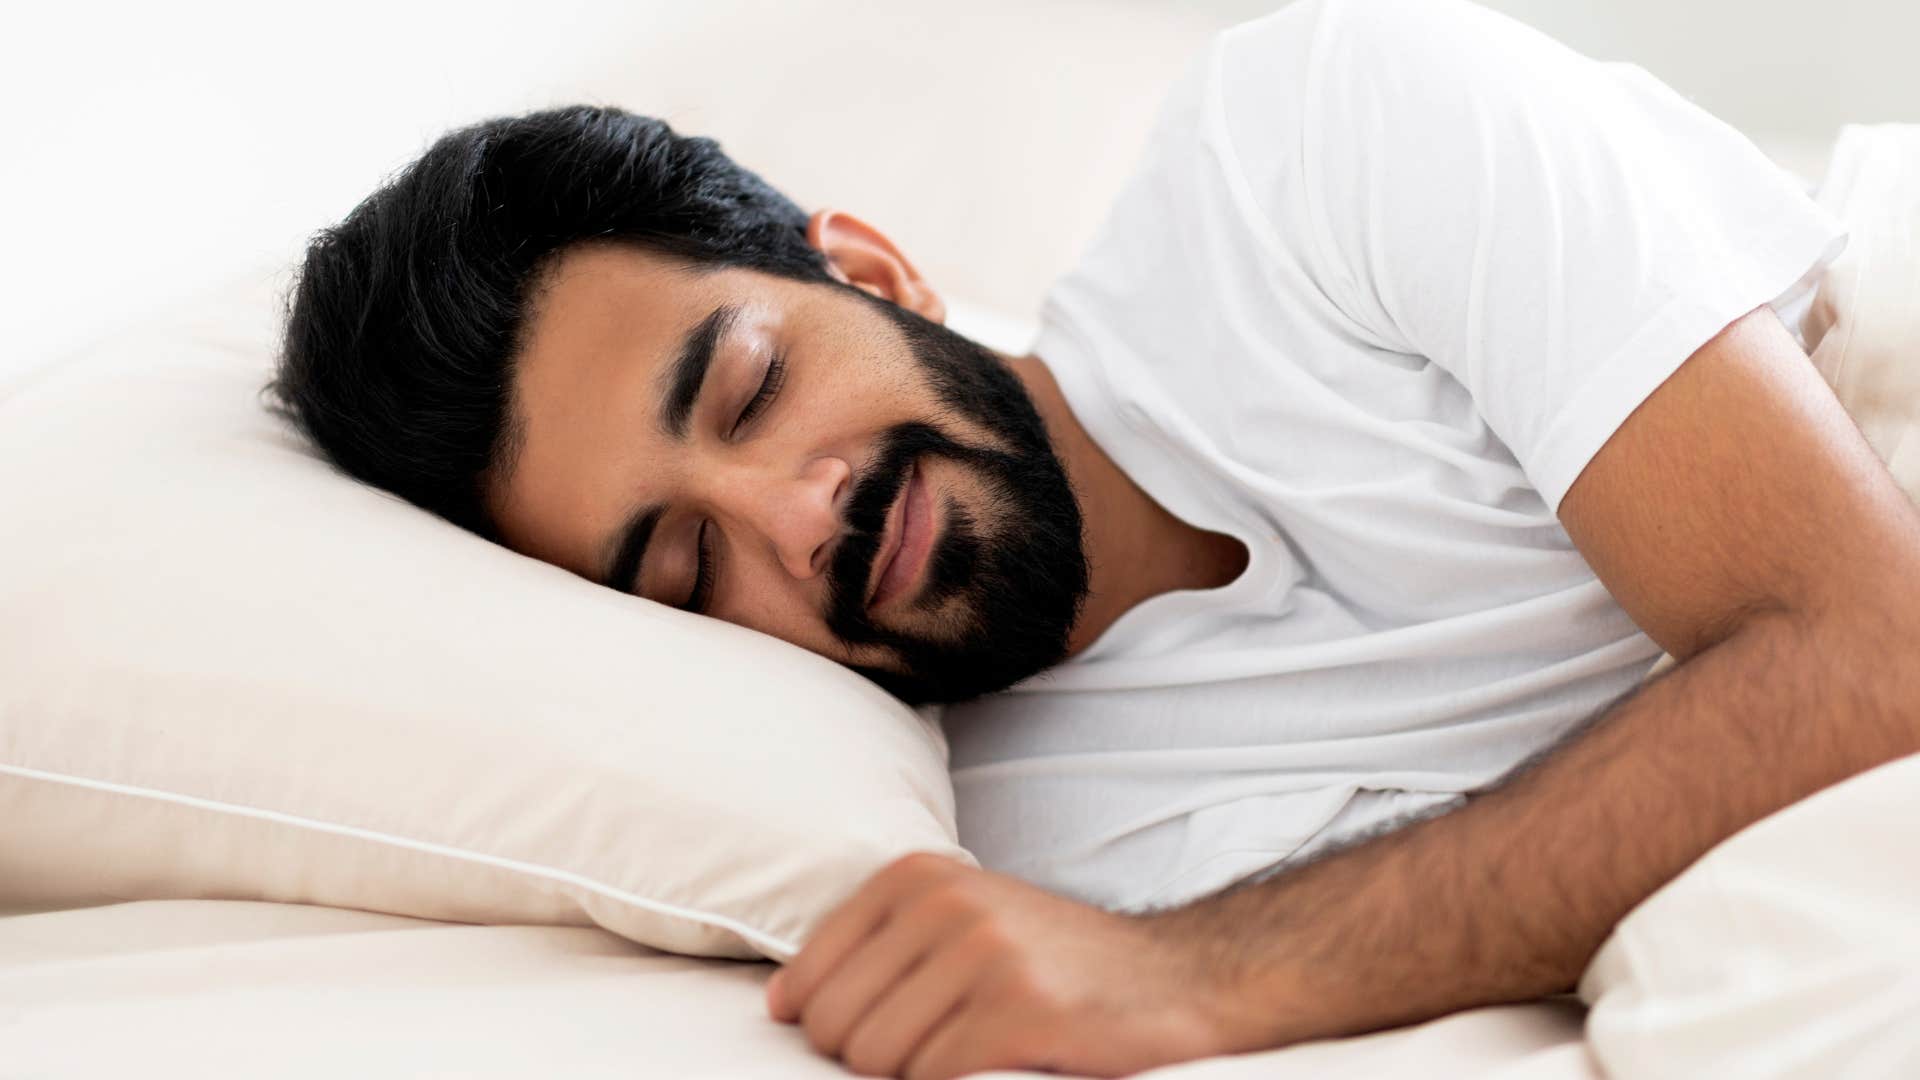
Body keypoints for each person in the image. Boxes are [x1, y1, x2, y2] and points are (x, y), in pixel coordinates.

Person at [267, 0, 1920, 1076]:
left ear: (875, 268)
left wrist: (1195, 976)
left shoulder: (1313, 143)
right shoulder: (1007, 842)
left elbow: (1871, 650)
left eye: (756, 387)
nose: (793, 514)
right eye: (687, 570)